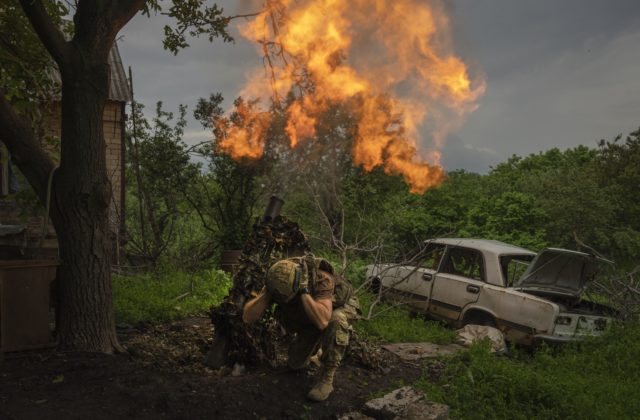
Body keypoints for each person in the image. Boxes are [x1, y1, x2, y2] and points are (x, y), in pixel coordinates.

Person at [242, 256, 359, 402]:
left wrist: (303, 291)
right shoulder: (277, 277)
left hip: (337, 305)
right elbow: (248, 317)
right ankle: (316, 347)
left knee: (335, 321)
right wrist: (266, 294)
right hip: (313, 308)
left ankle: (327, 377)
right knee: (295, 364)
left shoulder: (322, 278)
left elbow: (323, 321)